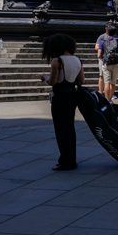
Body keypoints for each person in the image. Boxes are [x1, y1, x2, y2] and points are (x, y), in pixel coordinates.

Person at [40, 33, 84, 171]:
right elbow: (81, 81)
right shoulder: (77, 60)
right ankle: (71, 159)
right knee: (70, 128)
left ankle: (65, 161)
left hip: (60, 97)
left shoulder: (57, 61)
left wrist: (44, 77)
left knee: (61, 129)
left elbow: (52, 81)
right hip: (72, 95)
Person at [97, 24, 118, 101]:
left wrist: (104, 58)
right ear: (115, 33)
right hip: (116, 64)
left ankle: (107, 100)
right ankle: (110, 99)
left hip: (106, 63)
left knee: (107, 82)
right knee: (113, 83)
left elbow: (99, 55)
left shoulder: (103, 42)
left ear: (107, 32)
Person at [94, 24, 109, 94]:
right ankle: (100, 92)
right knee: (102, 76)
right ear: (106, 28)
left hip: (112, 59)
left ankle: (109, 93)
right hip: (103, 58)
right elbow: (96, 47)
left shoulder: (116, 37)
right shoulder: (102, 37)